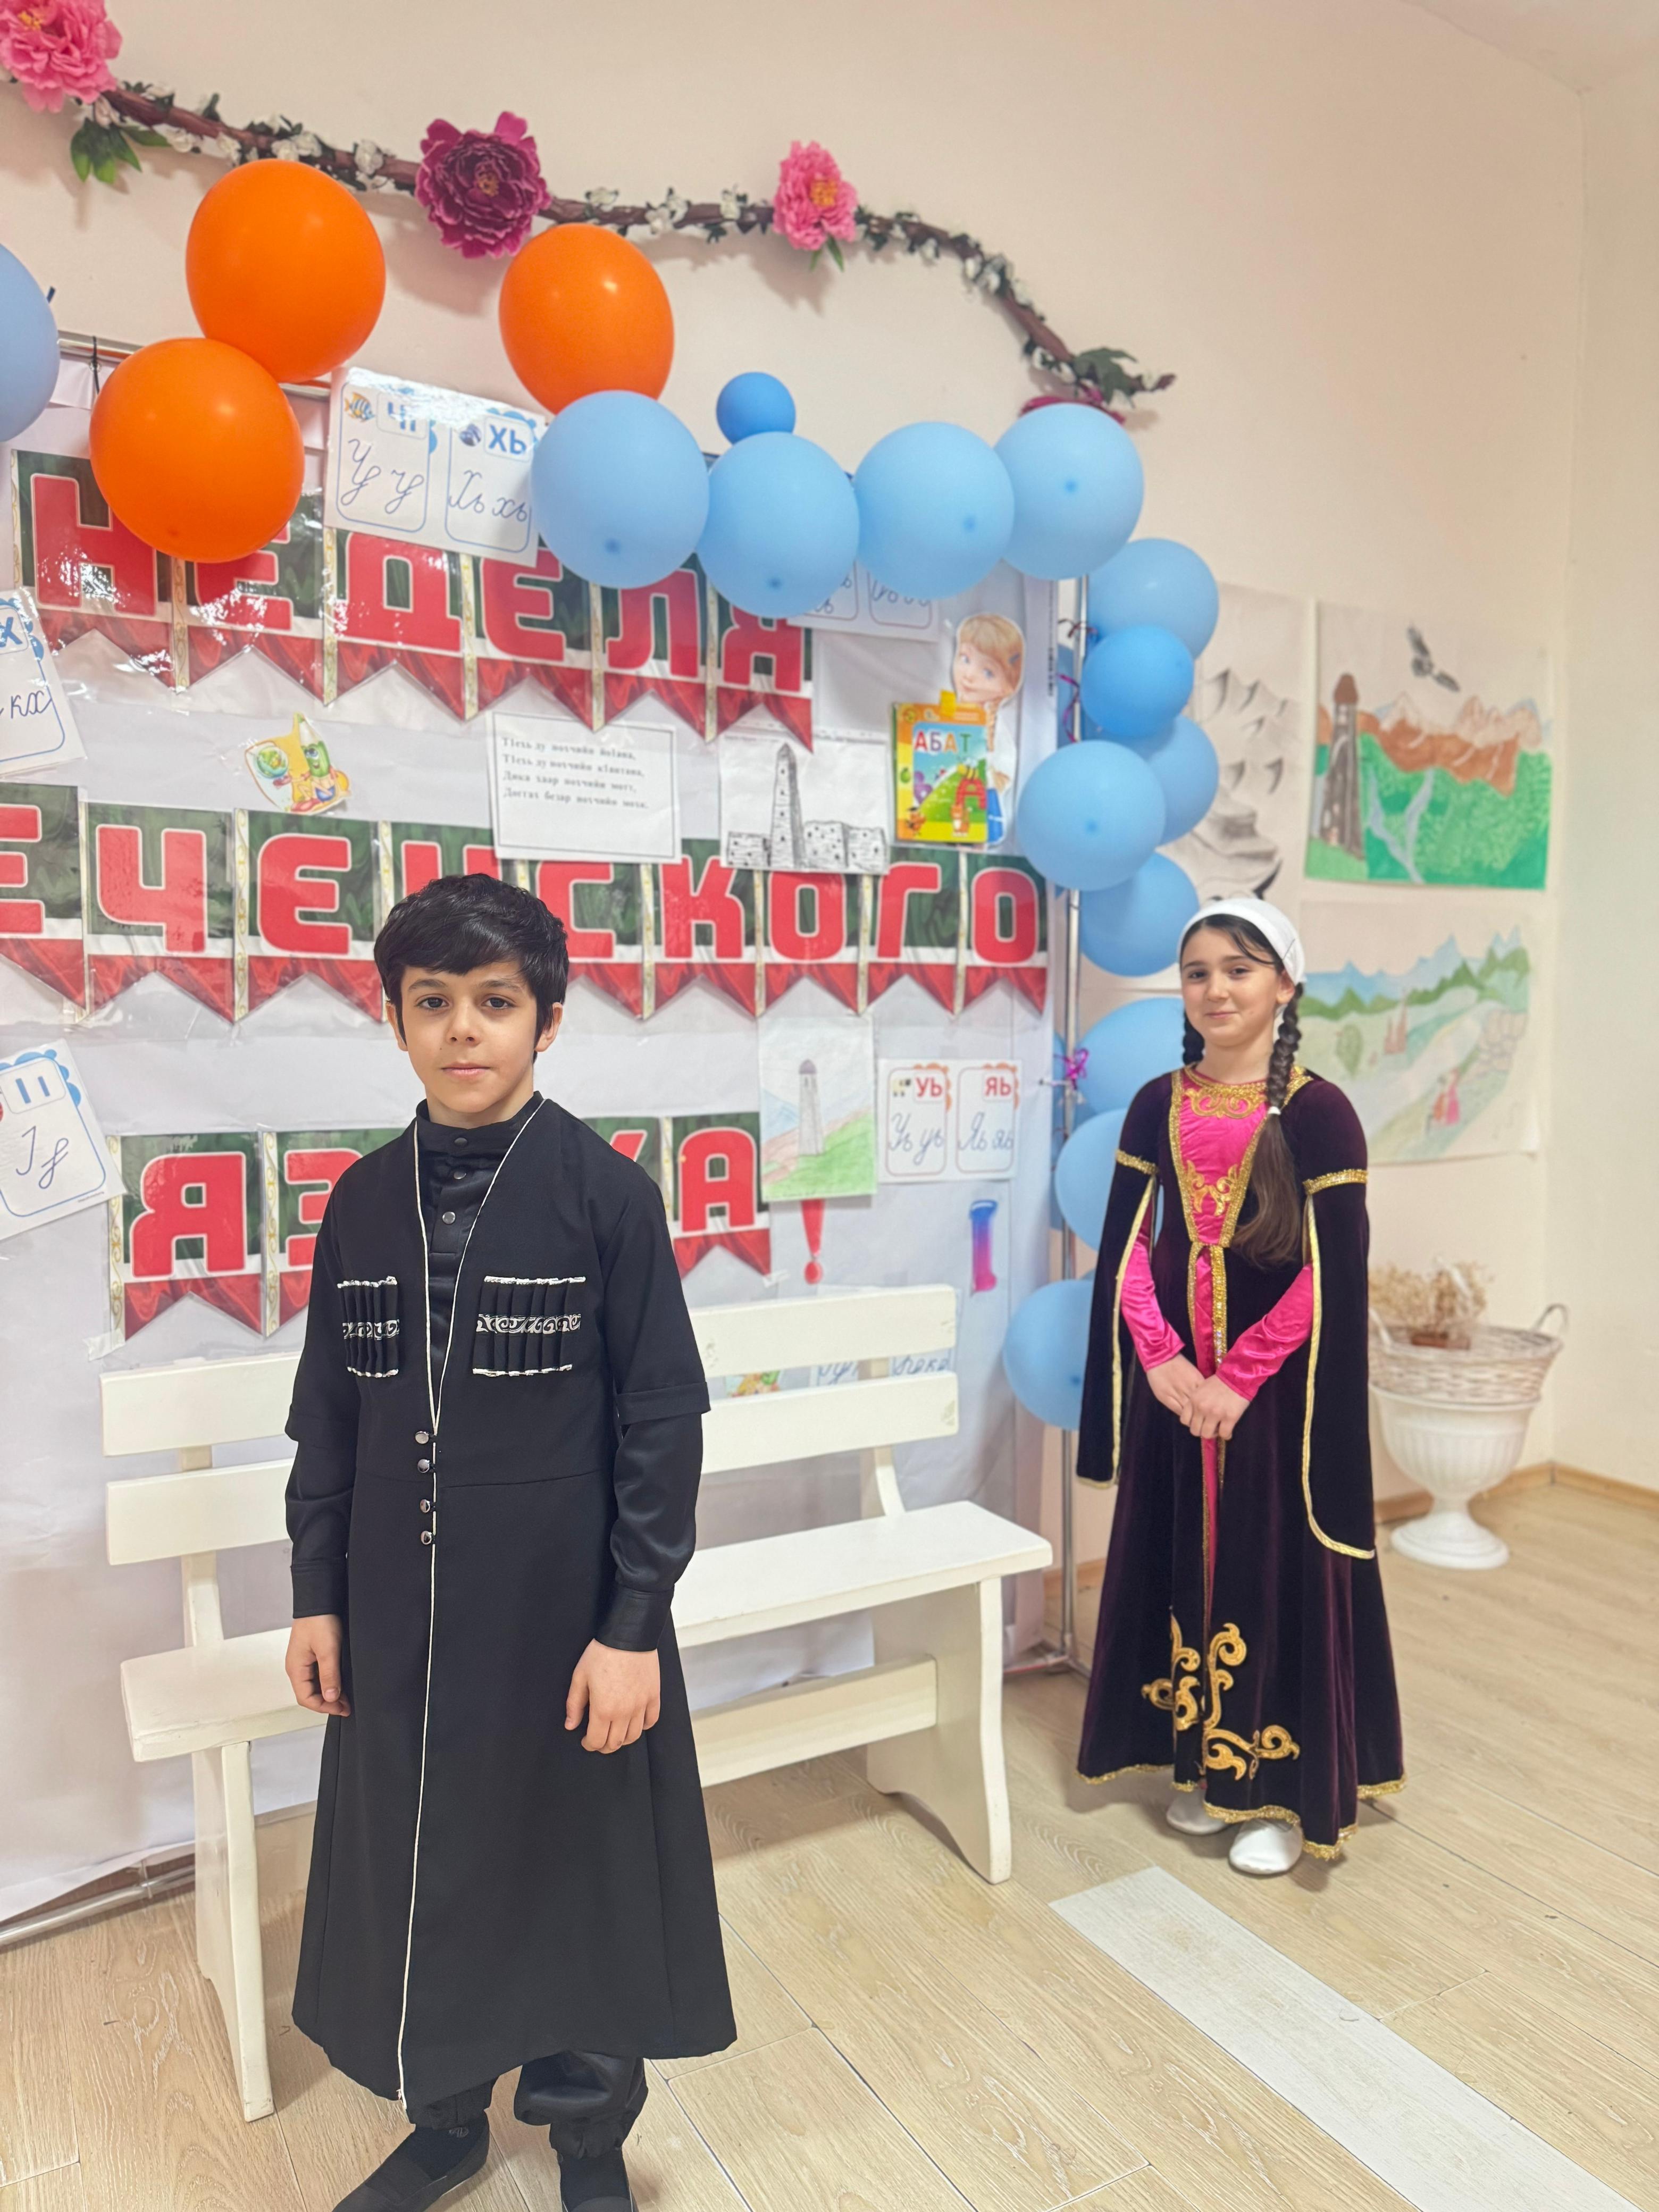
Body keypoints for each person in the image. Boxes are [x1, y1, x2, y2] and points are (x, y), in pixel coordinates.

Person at [282, 873, 734, 2212]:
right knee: (414, 1862)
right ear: (396, 1020)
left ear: (549, 1020)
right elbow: (328, 1418)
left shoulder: (605, 1196)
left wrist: (632, 1625)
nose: (463, 1030)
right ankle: (443, 2123)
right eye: (433, 1003)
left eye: (494, 1001)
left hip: (562, 1620)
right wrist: (316, 1594)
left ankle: (588, 2142)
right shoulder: (363, 1202)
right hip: (397, 1621)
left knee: (574, 1868)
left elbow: (660, 1423)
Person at [1074, 897, 1403, 1873]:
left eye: (1239, 969)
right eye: (1198, 972)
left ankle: (1277, 1792)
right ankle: (1200, 1769)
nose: (1216, 989)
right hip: (1179, 1397)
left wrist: (1243, 1376)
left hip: (1277, 1407)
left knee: (1270, 1570)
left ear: (1285, 985)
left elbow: (1330, 1272)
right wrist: (1163, 1361)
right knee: (1185, 1559)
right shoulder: (1157, 1104)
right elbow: (1130, 1248)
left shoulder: (1319, 1113)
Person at [951, 612, 1024, 844]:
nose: (969, 676)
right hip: (950, 793)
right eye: (965, 659)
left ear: (1007, 687)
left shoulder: (995, 725)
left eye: (988, 672)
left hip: (982, 792)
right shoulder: (945, 714)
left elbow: (1005, 761)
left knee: (983, 830)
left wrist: (992, 776)